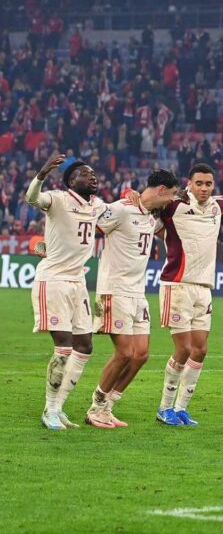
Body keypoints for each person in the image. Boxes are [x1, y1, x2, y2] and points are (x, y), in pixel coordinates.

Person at [88, 170, 178, 428]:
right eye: (170, 195)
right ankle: (95, 407)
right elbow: (90, 221)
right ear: (161, 189)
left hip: (138, 293)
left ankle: (108, 407)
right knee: (124, 353)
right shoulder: (120, 209)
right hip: (114, 290)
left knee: (140, 355)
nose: (171, 200)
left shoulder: (151, 217)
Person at [27, 154, 110, 430]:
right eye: (86, 174)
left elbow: (119, 211)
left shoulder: (96, 205)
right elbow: (32, 199)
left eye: (93, 173)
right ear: (71, 181)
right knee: (63, 348)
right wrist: (41, 173)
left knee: (85, 346)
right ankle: (49, 410)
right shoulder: (58, 199)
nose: (93, 177)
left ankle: (58, 407)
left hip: (78, 284)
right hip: (53, 281)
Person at [155, 164, 223, 426]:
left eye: (208, 184)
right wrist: (131, 194)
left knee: (200, 350)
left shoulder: (217, 207)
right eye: (199, 183)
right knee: (184, 348)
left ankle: (181, 408)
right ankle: (164, 408)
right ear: (189, 183)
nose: (204, 188)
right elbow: (145, 203)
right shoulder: (172, 205)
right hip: (177, 286)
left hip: (204, 288)